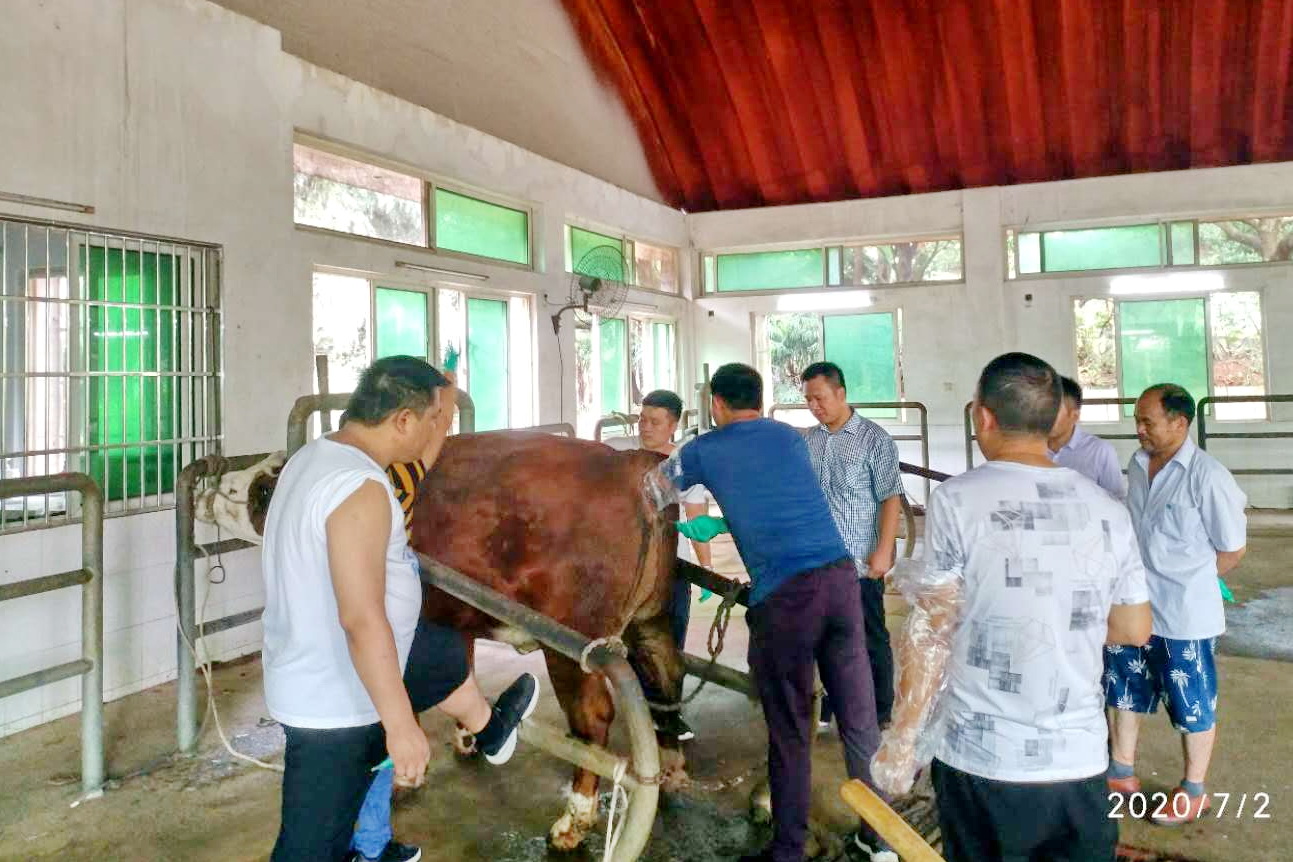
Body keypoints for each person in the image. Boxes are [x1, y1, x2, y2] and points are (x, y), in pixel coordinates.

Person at [871, 352, 1152, 862]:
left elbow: (933, 629)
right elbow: (1134, 628)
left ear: (984, 417)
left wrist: (903, 739)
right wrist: (1058, 620)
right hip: (1080, 762)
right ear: (1053, 419)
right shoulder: (1109, 510)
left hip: (983, 761)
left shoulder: (957, 501)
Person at [262, 356, 539, 862]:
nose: (439, 431)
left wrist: (444, 393)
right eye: (434, 420)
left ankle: (490, 729)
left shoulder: (316, 457)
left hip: (329, 671)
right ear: (404, 420)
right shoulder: (360, 491)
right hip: (336, 704)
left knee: (440, 654)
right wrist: (400, 725)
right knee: (309, 849)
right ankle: (483, 731)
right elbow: (361, 618)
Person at [646, 363, 895, 862]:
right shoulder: (789, 437)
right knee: (860, 721)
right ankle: (880, 839)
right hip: (841, 582)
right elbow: (774, 494)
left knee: (790, 729)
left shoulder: (702, 449)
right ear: (759, 400)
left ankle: (787, 850)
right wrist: (726, 519)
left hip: (786, 597)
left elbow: (651, 492)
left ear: (717, 404)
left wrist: (684, 479)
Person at [1104, 383, 1247, 825]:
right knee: (1123, 688)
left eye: (1147, 422)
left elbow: (1232, 548)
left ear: (1179, 423)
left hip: (1184, 614)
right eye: (1137, 421)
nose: (1139, 430)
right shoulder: (1138, 464)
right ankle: (1121, 773)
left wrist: (1192, 584)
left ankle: (1194, 790)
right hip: (1133, 603)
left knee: (1192, 701)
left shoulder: (1208, 476)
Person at [801, 361, 905, 731]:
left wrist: (884, 550)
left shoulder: (874, 439)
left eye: (820, 398)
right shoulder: (809, 441)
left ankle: (880, 710)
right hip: (818, 561)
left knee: (868, 634)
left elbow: (890, 496)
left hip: (859, 559)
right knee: (824, 635)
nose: (815, 406)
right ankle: (831, 703)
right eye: (809, 400)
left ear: (841, 393)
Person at [637, 388, 710, 742]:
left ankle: (668, 712)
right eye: (642, 419)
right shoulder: (623, 455)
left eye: (655, 421)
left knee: (669, 637)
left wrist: (706, 569)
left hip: (671, 566)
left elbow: (697, 519)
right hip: (629, 567)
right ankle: (640, 707)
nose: (645, 427)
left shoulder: (683, 465)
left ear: (673, 425)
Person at [1048, 376, 1126, 500]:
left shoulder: (1100, 451)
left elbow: (1116, 500)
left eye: (1053, 412)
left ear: (1074, 416)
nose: (1044, 417)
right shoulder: (1027, 448)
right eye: (1041, 410)